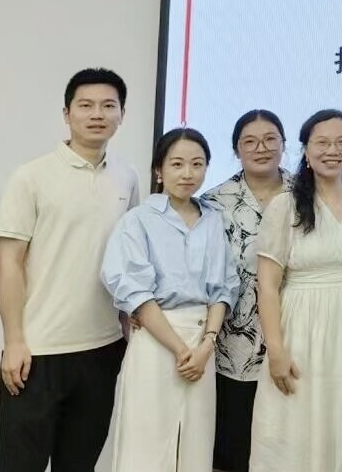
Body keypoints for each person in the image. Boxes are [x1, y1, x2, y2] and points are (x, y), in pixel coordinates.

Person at [0, 68, 139, 472]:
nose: (97, 114)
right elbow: (9, 262)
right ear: (66, 113)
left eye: (108, 106)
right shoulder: (31, 177)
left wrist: (125, 324)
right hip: (38, 350)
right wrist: (14, 340)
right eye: (86, 105)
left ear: (122, 114)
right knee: (20, 465)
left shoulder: (126, 177)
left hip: (103, 348)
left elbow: (125, 257)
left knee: (79, 464)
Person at [250, 109, 342, 472]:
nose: (333, 150)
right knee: (296, 420)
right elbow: (267, 285)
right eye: (323, 142)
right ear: (306, 150)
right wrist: (276, 350)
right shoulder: (285, 205)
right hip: (301, 328)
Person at [101, 127, 240, 471]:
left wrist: (207, 344)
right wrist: (180, 349)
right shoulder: (138, 220)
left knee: (196, 442)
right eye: (177, 164)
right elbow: (134, 290)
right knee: (147, 442)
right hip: (156, 337)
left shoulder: (212, 220)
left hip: (203, 339)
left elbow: (224, 286)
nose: (188, 173)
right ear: (159, 170)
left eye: (197, 164)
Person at [201, 109, 296, 472]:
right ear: (236, 149)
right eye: (250, 141)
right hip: (233, 347)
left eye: (271, 139)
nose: (261, 148)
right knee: (234, 446)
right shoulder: (213, 202)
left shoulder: (307, 193)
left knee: (287, 446)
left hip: (294, 335)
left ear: (284, 145)